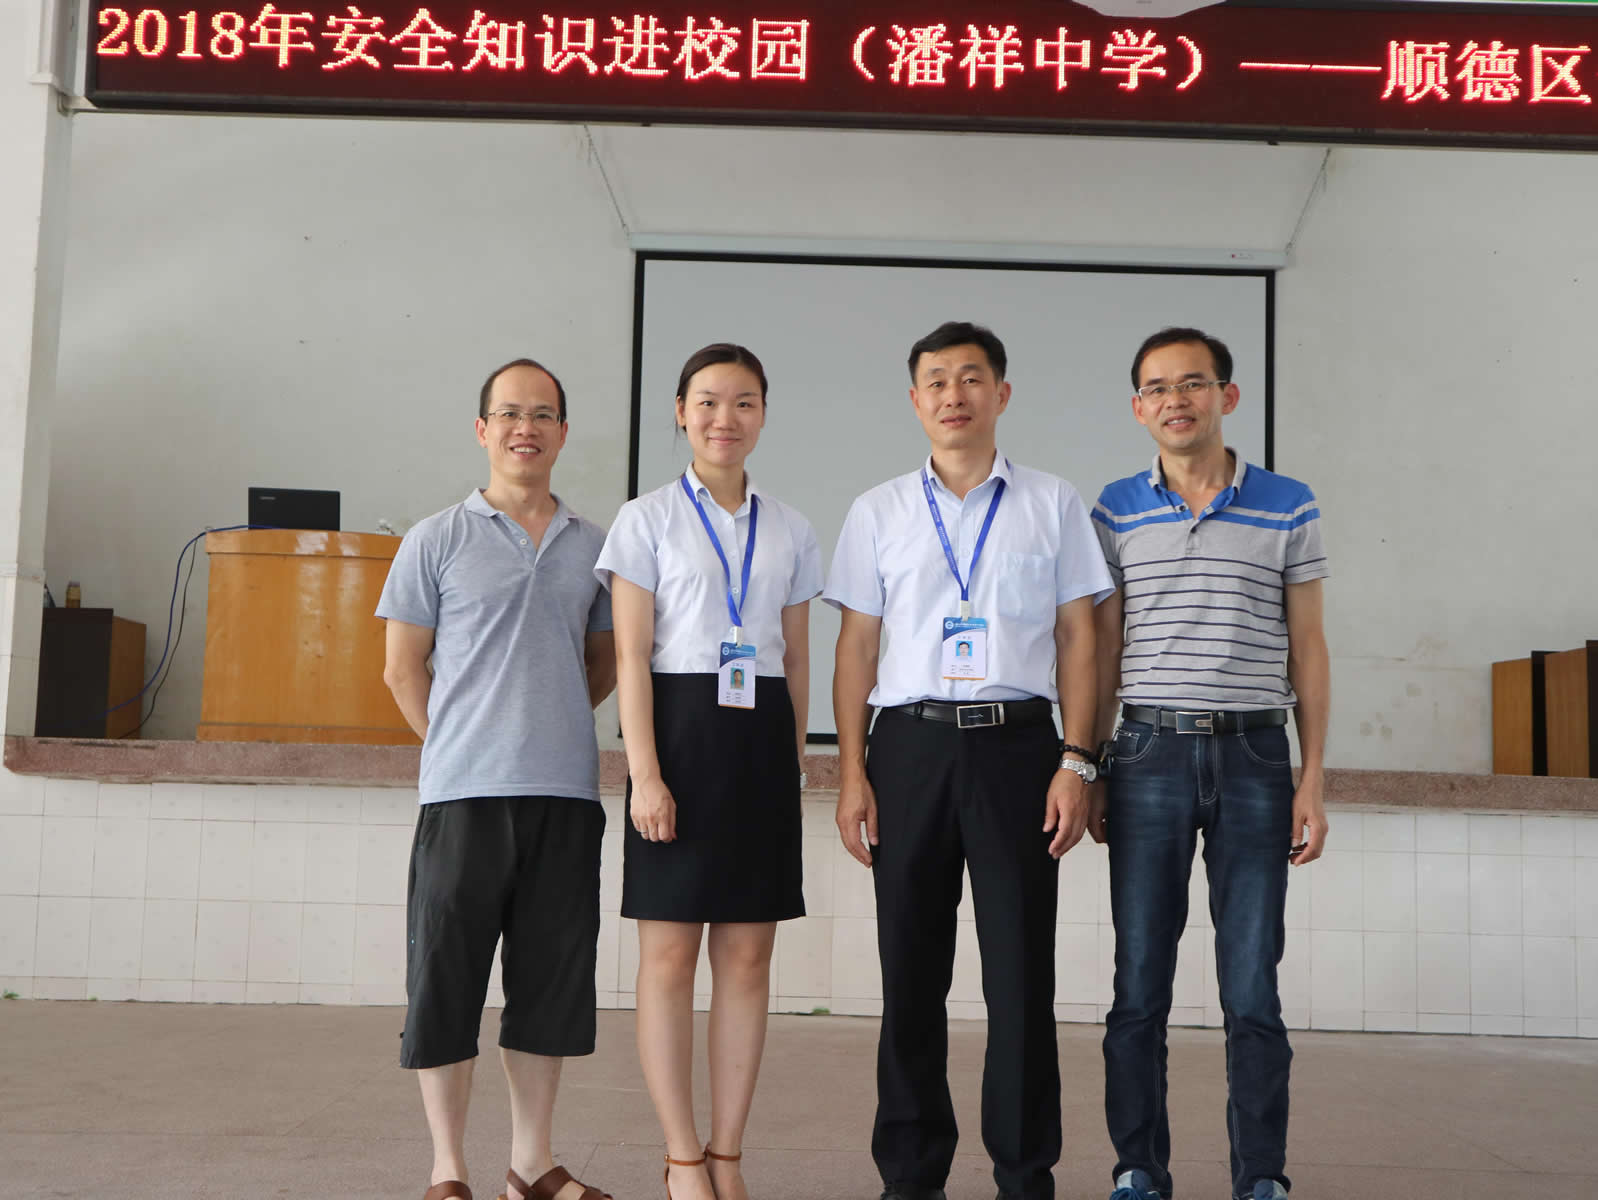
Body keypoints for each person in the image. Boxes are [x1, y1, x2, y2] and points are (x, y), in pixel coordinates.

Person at [826, 320, 1112, 1200]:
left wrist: (1077, 760)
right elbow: (856, 647)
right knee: (910, 974)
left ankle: (1025, 1176)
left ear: (1002, 393)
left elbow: (1080, 637)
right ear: (916, 401)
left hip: (1019, 749)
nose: (955, 394)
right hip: (908, 749)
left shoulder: (1052, 503)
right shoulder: (877, 510)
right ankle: (911, 1177)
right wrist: (852, 774)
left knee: (1020, 977)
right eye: (938, 381)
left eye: (972, 377)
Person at [1087, 327, 1330, 1200]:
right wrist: (1092, 765)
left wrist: (1312, 777)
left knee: (1252, 987)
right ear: (1138, 408)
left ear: (1227, 395)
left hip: (1257, 754)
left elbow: (1309, 646)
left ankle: (1261, 1176)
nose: (1175, 400)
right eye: (1157, 388)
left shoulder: (1288, 503)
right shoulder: (1115, 508)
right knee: (1139, 985)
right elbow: (1103, 649)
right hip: (1146, 752)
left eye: (1192, 383)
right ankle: (1137, 1170)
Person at [378, 358, 618, 1200]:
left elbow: (600, 663)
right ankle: (447, 1169)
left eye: (543, 414)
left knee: (549, 985)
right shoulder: (434, 538)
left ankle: (531, 1165)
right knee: (446, 981)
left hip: (564, 796)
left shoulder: (595, 546)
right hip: (461, 797)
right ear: (483, 429)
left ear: (563, 432)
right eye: (510, 413)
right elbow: (402, 668)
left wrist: (540, 725)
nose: (527, 428)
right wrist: (463, 740)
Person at [596, 343, 821, 1200]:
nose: (726, 418)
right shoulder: (645, 520)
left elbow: (796, 658)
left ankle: (728, 1153)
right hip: (678, 741)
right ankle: (682, 1156)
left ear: (763, 414)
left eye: (744, 402)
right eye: (709, 402)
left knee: (748, 960)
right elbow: (630, 656)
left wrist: (791, 764)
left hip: (759, 746)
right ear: (681, 413)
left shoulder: (791, 527)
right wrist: (645, 774)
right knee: (667, 961)